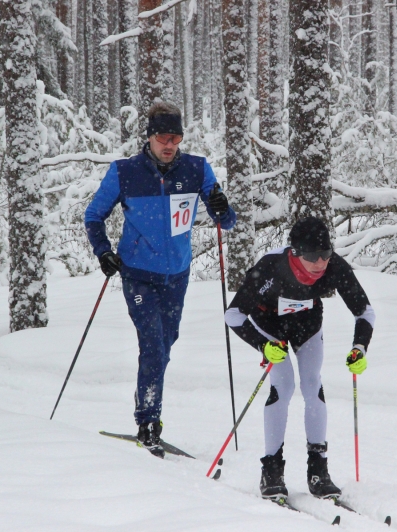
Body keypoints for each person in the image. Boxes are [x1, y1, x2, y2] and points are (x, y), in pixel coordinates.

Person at [84, 101, 236, 458]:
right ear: (149, 137)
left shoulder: (197, 169)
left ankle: (146, 394)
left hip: (177, 275)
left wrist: (220, 204)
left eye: (176, 137)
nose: (169, 144)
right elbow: (94, 216)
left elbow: (226, 221)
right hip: (138, 274)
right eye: (162, 137)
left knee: (166, 344)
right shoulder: (125, 172)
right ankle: (148, 421)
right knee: (152, 344)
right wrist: (103, 251)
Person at [224, 216, 374, 499]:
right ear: (295, 252)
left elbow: (364, 311)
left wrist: (360, 347)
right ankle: (271, 470)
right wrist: (261, 345)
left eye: (326, 254)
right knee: (284, 385)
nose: (320, 263)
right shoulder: (270, 266)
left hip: (307, 323)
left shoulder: (333, 266)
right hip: (268, 325)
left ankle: (318, 470)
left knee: (311, 384)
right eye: (312, 256)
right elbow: (232, 315)